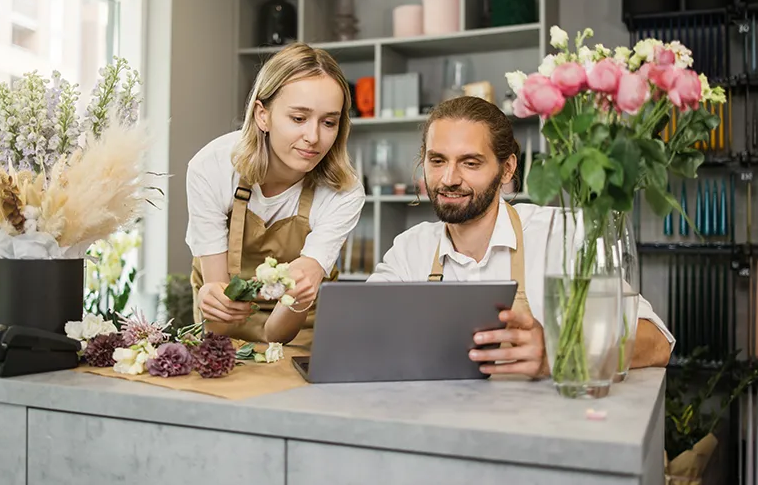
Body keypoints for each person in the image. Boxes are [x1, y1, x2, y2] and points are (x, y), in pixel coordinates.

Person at [367, 96, 674, 378]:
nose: (449, 179)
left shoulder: (560, 236)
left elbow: (656, 342)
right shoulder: (410, 249)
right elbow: (361, 332)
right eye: (437, 161)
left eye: (470, 162)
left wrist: (558, 354)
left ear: (507, 169)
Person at [186, 43, 365, 347]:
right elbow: (219, 319)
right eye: (298, 118)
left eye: (329, 122)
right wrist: (213, 296)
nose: (313, 137)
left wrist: (299, 290)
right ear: (262, 115)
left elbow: (279, 335)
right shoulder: (211, 167)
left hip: (298, 337)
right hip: (222, 335)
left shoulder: (343, 193)